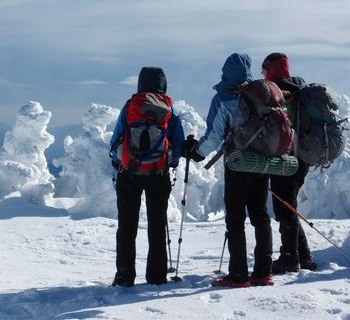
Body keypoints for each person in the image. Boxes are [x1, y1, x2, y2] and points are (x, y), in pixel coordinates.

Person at [182, 53, 273, 288]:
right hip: (262, 163)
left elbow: (213, 135)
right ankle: (263, 272)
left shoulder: (223, 98)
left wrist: (197, 154)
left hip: (237, 163)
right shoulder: (263, 94)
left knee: (235, 218)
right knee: (260, 216)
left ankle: (239, 275)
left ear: (226, 72)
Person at [109, 67, 185, 287]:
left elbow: (115, 141)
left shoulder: (131, 106)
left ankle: (124, 276)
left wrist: (120, 162)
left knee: (127, 226)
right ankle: (157, 276)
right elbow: (177, 143)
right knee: (157, 225)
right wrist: (170, 162)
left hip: (129, 173)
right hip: (158, 174)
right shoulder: (169, 108)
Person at [261, 52, 317, 273]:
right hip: (304, 156)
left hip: (285, 158)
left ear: (271, 69)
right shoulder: (300, 88)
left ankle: (289, 258)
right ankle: (304, 256)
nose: (263, 74)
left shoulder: (275, 91)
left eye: (265, 69)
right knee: (289, 205)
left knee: (284, 208)